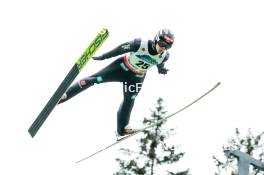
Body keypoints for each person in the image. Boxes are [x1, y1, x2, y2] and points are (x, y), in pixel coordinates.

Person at [58, 29, 175, 137]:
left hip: (136, 78)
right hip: (120, 68)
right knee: (93, 80)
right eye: (162, 43)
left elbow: (159, 63)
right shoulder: (139, 44)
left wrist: (160, 69)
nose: (163, 48)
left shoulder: (164, 56)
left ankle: (122, 128)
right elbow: (119, 49)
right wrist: (104, 56)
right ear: (156, 39)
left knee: (130, 99)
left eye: (168, 46)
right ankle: (65, 95)